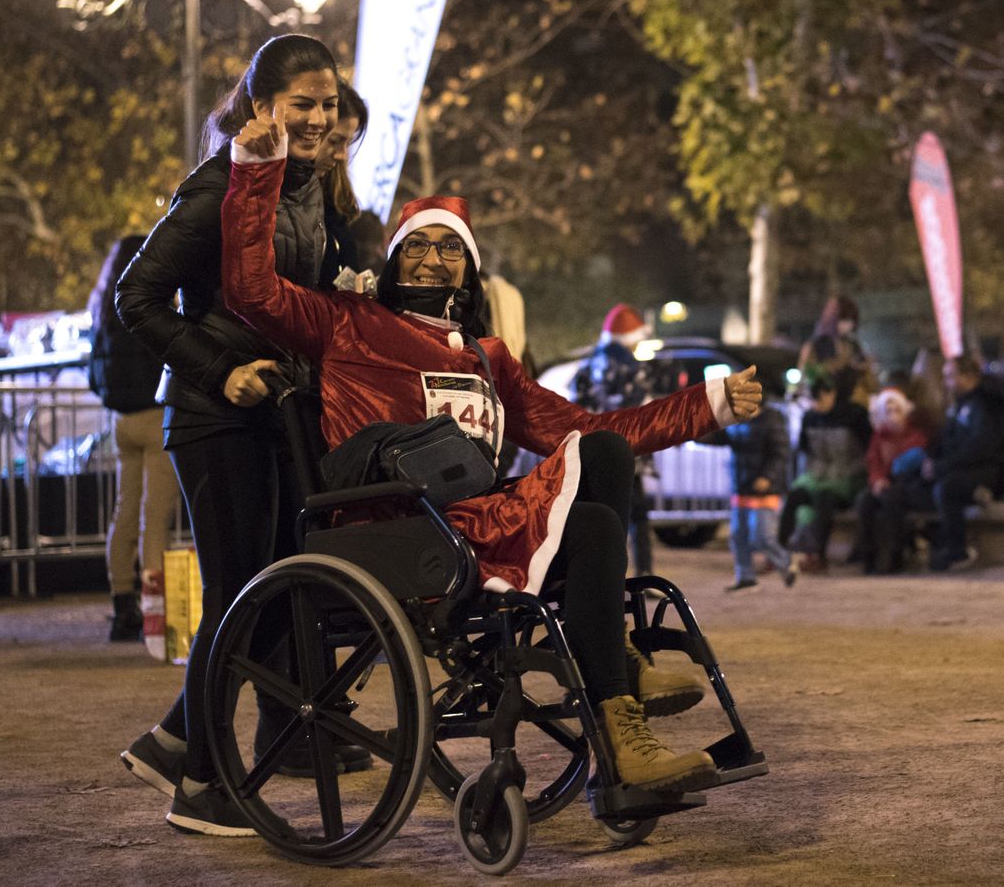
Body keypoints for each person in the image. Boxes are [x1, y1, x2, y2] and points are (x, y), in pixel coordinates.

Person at [219, 116, 765, 810]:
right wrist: (254, 170)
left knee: (597, 507)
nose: (434, 259)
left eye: (453, 249)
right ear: (392, 259)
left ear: (471, 269)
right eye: (419, 244)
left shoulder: (488, 358)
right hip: (393, 528)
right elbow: (251, 291)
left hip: (477, 523)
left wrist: (709, 404)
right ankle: (620, 673)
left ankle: (622, 745)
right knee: (592, 490)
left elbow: (588, 429)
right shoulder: (347, 321)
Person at [114, 34, 362, 836]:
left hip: (277, 415)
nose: (322, 119)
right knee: (236, 594)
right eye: (304, 105)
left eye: (329, 105)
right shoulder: (220, 184)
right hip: (214, 415)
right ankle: (202, 785)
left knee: (269, 588)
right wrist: (221, 371)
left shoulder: (308, 190)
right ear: (261, 109)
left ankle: (178, 737)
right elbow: (137, 295)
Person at [87, 236, 178, 644]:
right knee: (154, 518)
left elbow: (94, 377)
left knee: (124, 513)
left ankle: (121, 603)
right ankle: (152, 610)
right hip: (156, 418)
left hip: (122, 422)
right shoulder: (147, 304)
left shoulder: (104, 313)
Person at [572, 303, 663, 575]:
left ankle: (604, 577)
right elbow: (640, 412)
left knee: (604, 517)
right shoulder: (631, 369)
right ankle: (639, 575)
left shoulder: (590, 365)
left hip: (594, 449)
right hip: (627, 450)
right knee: (635, 516)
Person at [705, 380, 797, 592]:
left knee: (761, 536)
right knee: (738, 535)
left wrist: (768, 477)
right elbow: (718, 438)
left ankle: (786, 563)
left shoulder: (773, 421)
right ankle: (746, 576)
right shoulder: (736, 422)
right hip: (742, 486)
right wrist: (693, 433)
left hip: (766, 489)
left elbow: (781, 453)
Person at [779, 368, 871, 572]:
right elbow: (805, 449)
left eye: (819, 399)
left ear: (832, 394)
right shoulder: (810, 418)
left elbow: (868, 451)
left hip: (849, 477)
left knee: (824, 497)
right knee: (795, 496)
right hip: (818, 475)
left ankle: (818, 556)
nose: (815, 405)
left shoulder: (855, 415)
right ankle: (777, 552)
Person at [923, 355, 1004, 572]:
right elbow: (946, 442)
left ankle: (956, 550)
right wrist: (932, 462)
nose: (946, 382)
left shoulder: (984, 405)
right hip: (959, 469)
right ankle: (933, 544)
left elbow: (980, 448)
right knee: (915, 486)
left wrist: (942, 466)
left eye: (950, 376)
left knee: (946, 489)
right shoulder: (958, 405)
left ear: (969, 377)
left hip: (985, 471)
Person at [853, 386, 932, 574]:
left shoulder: (915, 436)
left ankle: (892, 555)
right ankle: (868, 556)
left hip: (906, 487)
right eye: (887, 411)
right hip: (883, 485)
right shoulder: (878, 437)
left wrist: (887, 479)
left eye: (897, 410)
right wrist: (878, 480)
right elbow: (873, 461)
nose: (893, 416)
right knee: (865, 501)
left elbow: (905, 467)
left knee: (891, 500)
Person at [316, 79, 371, 291]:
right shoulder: (282, 200)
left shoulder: (334, 203)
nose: (342, 155)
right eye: (334, 140)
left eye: (348, 143)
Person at [799, 295, 874, 402]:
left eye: (851, 321)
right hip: (824, 399)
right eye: (844, 319)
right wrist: (838, 364)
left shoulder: (853, 344)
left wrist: (862, 366)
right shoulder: (815, 345)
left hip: (850, 399)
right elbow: (807, 374)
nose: (848, 325)